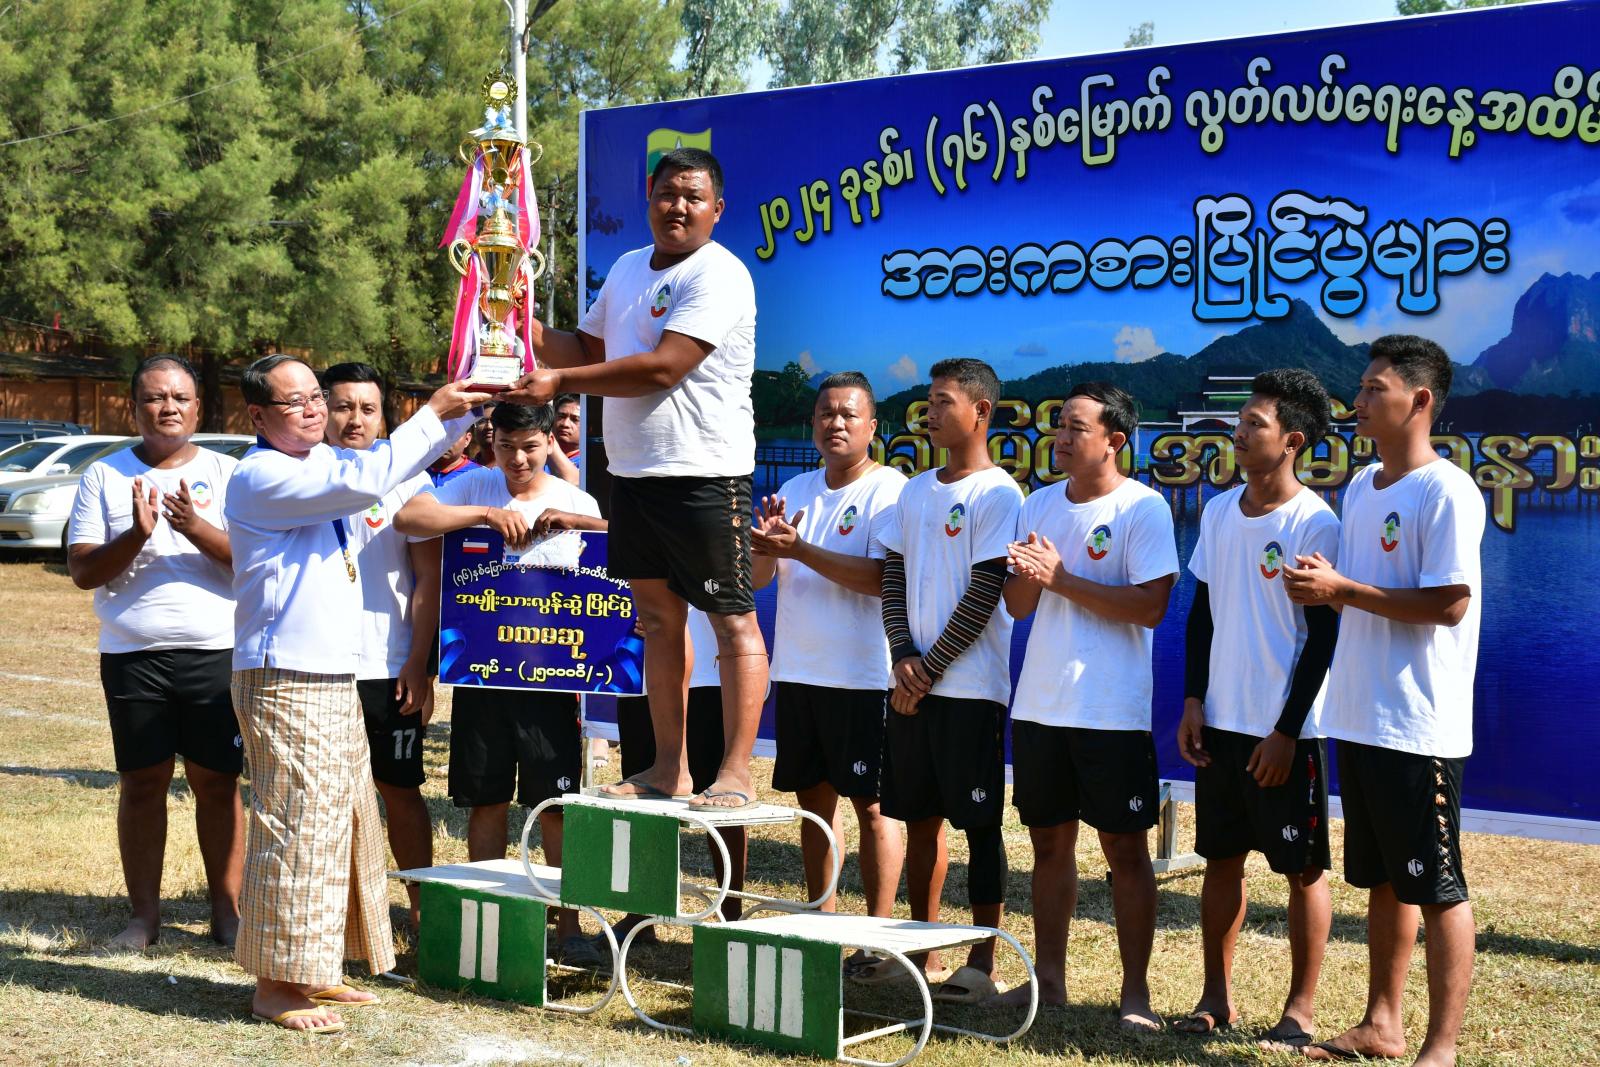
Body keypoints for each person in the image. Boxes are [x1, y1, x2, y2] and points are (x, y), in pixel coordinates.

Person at [226, 353, 487, 1033]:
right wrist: (434, 412)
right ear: (257, 416)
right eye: (295, 402)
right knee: (296, 825)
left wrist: (475, 401)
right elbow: (371, 477)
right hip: (285, 674)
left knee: (343, 819)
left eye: (316, 396)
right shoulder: (262, 474)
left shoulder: (320, 463)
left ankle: (318, 964)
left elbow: (391, 471)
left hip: (330, 671)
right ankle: (274, 983)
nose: (314, 409)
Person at [502, 147, 763, 811]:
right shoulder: (624, 268)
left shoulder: (720, 273)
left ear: (717, 209)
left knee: (731, 623)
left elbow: (662, 367)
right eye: (668, 193)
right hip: (634, 475)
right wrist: (522, 324)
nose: (678, 206)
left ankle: (736, 772)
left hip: (706, 475)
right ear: (649, 196)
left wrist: (559, 380)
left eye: (693, 197)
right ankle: (668, 768)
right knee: (658, 622)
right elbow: (590, 349)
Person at [1284, 336, 1484, 1067]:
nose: (1358, 401)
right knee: (1386, 880)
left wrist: (1342, 588)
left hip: (1417, 722)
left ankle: (1441, 1047)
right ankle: (1382, 1023)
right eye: (1361, 388)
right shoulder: (1364, 486)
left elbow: (1449, 603)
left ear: (1420, 400)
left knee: (1438, 885)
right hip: (1361, 714)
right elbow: (1365, 594)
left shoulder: (1447, 490)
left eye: (1375, 389)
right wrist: (1327, 585)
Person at [394, 400, 607, 969]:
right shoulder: (474, 486)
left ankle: (568, 926)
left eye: (530, 448)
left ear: (549, 443)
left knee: (554, 806)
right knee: (485, 800)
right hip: (482, 677)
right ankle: (485, 918)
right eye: (506, 447)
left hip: (552, 683)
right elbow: (409, 518)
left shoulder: (575, 499)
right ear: (491, 443)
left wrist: (579, 525)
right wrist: (485, 516)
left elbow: (615, 560)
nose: (517, 460)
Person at [999, 381, 1177, 1030]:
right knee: (1048, 844)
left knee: (1125, 850)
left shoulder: (1143, 508)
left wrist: (1062, 578)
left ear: (1114, 440)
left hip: (1110, 711)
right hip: (1041, 704)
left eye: (1076, 427)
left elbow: (1151, 607)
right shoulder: (1039, 503)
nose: (1062, 438)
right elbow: (1018, 606)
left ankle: (1136, 994)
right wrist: (1030, 577)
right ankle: (1049, 981)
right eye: (1059, 426)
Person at [1174, 369, 1340, 1048]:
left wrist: (1286, 730)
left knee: (1304, 869)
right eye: (1239, 422)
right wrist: (1193, 699)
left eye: (1254, 424)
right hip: (1221, 722)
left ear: (1292, 440)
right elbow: (1201, 617)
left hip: (1284, 733)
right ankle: (1216, 996)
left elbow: (1323, 639)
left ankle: (1300, 1011)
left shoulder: (1314, 521)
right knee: (1220, 860)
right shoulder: (1218, 512)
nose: (1238, 433)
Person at [66, 354, 245, 951]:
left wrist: (195, 527)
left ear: (198, 407)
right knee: (142, 782)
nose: (168, 407)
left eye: (179, 397)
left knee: (217, 782)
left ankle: (227, 913)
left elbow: (251, 563)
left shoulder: (228, 473)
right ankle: (144, 918)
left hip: (214, 652)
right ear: (133, 406)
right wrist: (138, 534)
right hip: (133, 654)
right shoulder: (104, 475)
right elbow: (83, 571)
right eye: (154, 397)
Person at [876, 358, 1021, 1001]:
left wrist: (928, 669)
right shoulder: (914, 490)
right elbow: (892, 576)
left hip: (970, 689)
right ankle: (921, 949)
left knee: (980, 825)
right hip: (913, 683)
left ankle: (981, 963)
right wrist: (902, 654)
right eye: (928, 403)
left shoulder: (999, 494)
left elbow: (986, 591)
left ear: (980, 411)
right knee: (919, 820)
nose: (929, 413)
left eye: (942, 402)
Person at [752, 372, 905, 939]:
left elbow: (882, 579)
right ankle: (822, 924)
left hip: (864, 677)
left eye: (848, 414)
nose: (835, 423)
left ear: (872, 426)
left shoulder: (890, 490)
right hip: (798, 670)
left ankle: (877, 936)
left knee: (874, 807)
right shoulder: (794, 489)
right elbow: (762, 579)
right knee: (814, 808)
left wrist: (801, 549)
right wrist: (766, 546)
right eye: (825, 414)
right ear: (812, 423)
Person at [321, 362, 441, 931]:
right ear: (321, 410)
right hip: (319, 665)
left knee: (400, 788)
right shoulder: (305, 473)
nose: (355, 419)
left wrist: (419, 662)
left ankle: (421, 909)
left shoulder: (410, 480)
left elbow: (429, 579)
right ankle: (343, 916)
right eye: (343, 406)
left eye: (367, 408)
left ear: (384, 417)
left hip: (387, 665)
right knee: (327, 798)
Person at [613, 607, 747, 929]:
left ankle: (731, 918)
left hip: (705, 675)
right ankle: (640, 914)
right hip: (640, 674)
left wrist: (664, 616)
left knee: (719, 804)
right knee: (642, 799)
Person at [547, 392, 581, 487]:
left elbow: (572, 482)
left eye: (575, 419)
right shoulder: (539, 453)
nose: (565, 424)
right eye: (561, 416)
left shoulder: (587, 462)